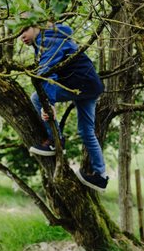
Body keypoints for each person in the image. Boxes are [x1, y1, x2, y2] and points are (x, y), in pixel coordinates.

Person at [19, 21, 108, 191]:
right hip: (90, 86)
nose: (21, 36)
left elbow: (47, 72)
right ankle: (101, 176)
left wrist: (48, 104)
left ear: (37, 26)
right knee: (86, 131)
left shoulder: (49, 40)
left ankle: (55, 140)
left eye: (24, 30)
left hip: (79, 85)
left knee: (37, 98)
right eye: (18, 34)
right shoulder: (54, 36)